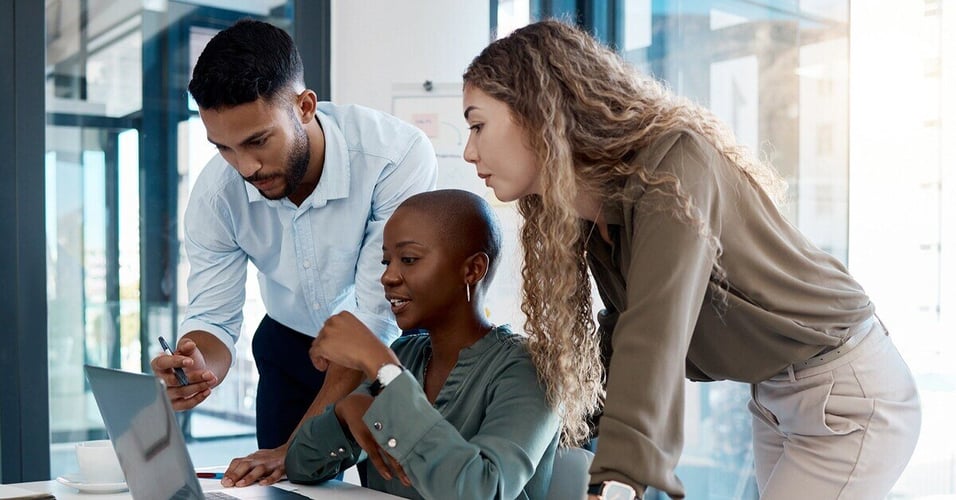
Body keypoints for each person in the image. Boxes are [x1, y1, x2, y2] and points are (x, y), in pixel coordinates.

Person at [461, 19, 921, 500]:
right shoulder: (596, 210)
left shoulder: (675, 167)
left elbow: (654, 333)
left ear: (538, 113)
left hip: (846, 394)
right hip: (775, 397)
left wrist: (617, 478)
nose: (469, 151)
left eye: (478, 124)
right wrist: (545, 424)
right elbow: (623, 331)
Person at [149, 19, 437, 487]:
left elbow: (373, 317)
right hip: (288, 348)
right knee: (283, 490)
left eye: (258, 141)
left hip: (388, 353)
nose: (245, 166)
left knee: (389, 492)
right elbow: (214, 318)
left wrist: (295, 448)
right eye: (223, 148)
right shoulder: (216, 195)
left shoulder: (394, 157)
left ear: (304, 107)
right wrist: (198, 366)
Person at [285, 189, 560, 499]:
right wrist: (343, 414)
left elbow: (482, 490)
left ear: (472, 269)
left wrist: (381, 367)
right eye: (386, 261)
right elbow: (300, 465)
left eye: (409, 259)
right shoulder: (407, 355)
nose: (388, 277)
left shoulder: (529, 370)